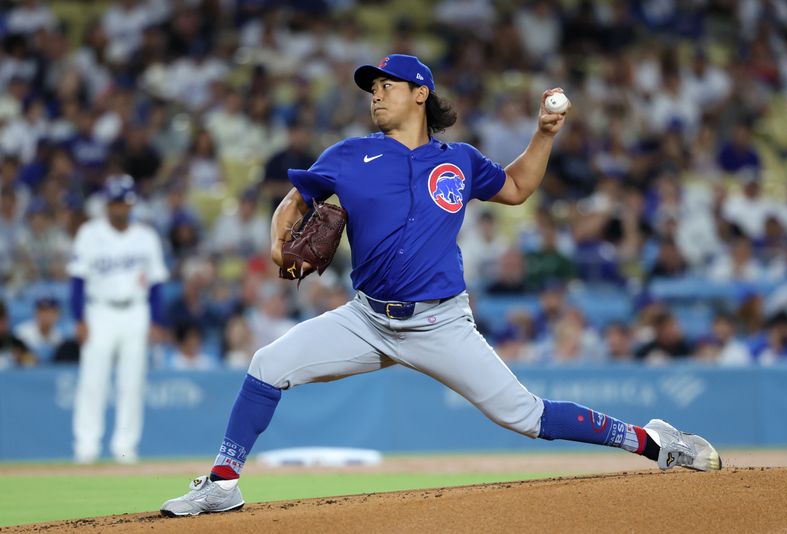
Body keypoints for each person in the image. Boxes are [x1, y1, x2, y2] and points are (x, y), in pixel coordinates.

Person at [161, 54, 721, 517]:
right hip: (366, 318)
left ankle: (652, 441)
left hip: (440, 322)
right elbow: (293, 202)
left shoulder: (459, 160)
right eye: (371, 87)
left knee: (525, 416)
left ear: (420, 93)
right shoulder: (349, 155)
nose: (375, 95)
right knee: (267, 364)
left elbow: (520, 186)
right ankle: (223, 481)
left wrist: (544, 133)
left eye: (387, 85)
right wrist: (279, 245)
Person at [69, 175, 168, 464]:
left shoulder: (146, 236)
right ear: (107, 205)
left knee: (132, 382)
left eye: (123, 202)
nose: (119, 208)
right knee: (92, 380)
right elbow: (77, 279)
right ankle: (85, 448)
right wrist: (79, 317)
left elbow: (157, 284)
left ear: (132, 204)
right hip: (99, 311)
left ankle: (125, 448)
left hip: (136, 311)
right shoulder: (90, 233)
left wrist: (157, 321)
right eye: (114, 202)